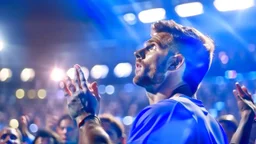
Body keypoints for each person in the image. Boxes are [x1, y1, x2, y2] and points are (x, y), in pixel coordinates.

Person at [62, 20, 228, 144]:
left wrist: (86, 117)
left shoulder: (168, 112)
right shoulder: (215, 128)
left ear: (175, 63)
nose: (138, 53)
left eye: (152, 47)